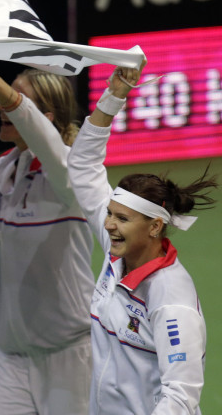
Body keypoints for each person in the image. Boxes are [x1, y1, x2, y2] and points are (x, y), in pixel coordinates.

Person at [67, 65, 213, 414]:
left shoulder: (170, 300)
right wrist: (113, 95)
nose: (109, 225)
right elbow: (83, 166)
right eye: (110, 214)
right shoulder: (117, 254)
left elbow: (180, 397)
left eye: (122, 218)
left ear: (154, 227)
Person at [0, 58, 95, 414]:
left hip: (69, 355)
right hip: (13, 355)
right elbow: (14, 264)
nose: (1, 104)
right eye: (6, 95)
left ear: (46, 117)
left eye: (16, 98)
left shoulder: (70, 173)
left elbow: (50, 148)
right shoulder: (2, 171)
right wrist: (4, 329)